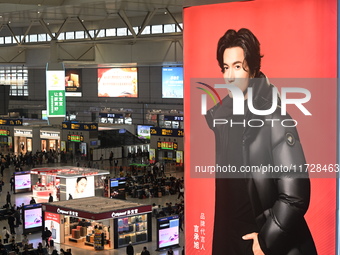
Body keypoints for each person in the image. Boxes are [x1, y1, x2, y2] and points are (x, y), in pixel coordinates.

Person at [206, 28, 317, 255]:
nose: (230, 76)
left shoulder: (275, 120)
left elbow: (295, 195)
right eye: (226, 68)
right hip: (229, 239)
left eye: (238, 66)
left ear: (254, 69)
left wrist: (266, 241)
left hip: (261, 244)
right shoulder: (223, 120)